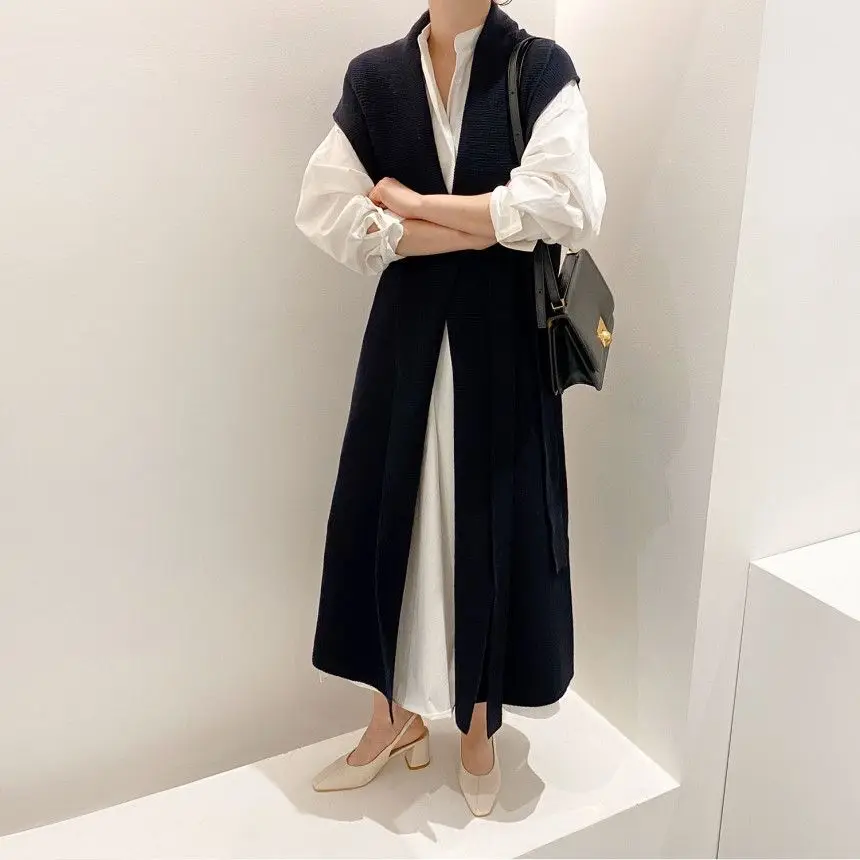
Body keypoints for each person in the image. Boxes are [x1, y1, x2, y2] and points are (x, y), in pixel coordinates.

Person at [295, 0, 605, 816]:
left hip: (503, 350)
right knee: (386, 518)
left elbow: (565, 202)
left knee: (493, 519)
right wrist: (479, 225)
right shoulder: (376, 79)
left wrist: (414, 205)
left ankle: (477, 722)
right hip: (404, 350)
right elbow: (329, 209)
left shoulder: (537, 67)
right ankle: (391, 716)